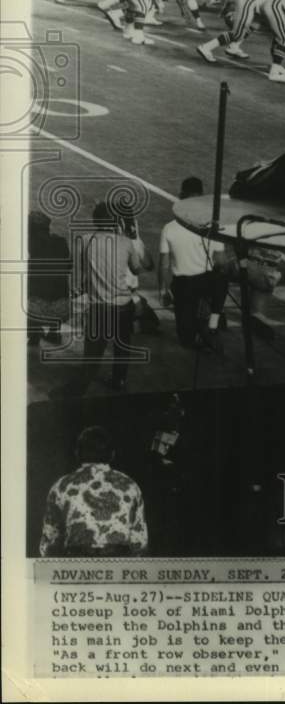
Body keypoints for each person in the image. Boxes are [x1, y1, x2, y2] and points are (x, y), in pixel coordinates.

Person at [56, 201, 153, 398]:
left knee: (92, 351)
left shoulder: (84, 240)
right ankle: (119, 380)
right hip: (124, 305)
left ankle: (81, 387)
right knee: (122, 346)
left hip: (99, 307)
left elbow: (75, 270)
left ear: (95, 220)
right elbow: (137, 269)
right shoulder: (125, 243)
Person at [40, 426, 148, 557]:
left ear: (77, 452)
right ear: (112, 453)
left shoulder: (61, 485)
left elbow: (49, 543)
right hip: (119, 564)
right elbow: (140, 542)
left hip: (75, 565)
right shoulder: (130, 486)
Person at [158, 176, 229, 350]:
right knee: (223, 277)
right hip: (208, 283)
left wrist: (164, 290)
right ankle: (214, 317)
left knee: (186, 340)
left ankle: (202, 325)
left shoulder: (169, 228)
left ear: (181, 196)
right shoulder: (213, 228)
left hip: (183, 287)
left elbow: (164, 265)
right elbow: (221, 262)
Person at [27, 210, 72, 346]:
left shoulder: (30, 244)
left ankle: (34, 333)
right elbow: (69, 265)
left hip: (36, 308)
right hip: (62, 307)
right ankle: (54, 332)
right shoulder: (61, 241)